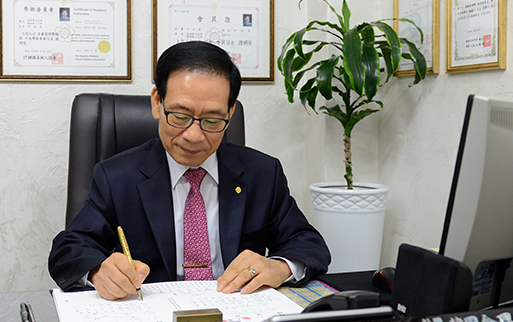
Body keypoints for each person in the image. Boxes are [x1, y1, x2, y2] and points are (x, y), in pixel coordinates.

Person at [49, 41, 330, 300]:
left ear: (230, 112)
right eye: (180, 116)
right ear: (157, 102)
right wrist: (98, 270)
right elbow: (69, 248)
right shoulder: (116, 177)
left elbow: (308, 244)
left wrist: (278, 267)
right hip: (154, 320)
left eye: (212, 120)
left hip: (237, 315)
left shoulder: (262, 173)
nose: (193, 136)